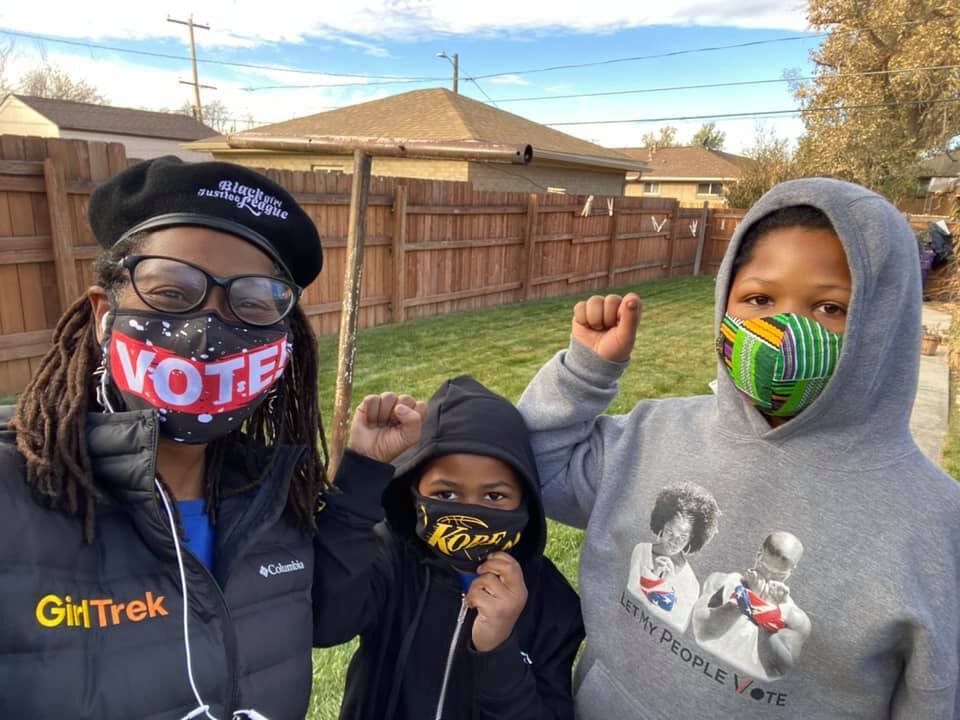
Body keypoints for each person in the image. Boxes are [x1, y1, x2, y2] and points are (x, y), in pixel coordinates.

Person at [516, 178, 960, 718]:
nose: (784, 329)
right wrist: (584, 373)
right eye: (760, 299)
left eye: (829, 308)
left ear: (882, 324)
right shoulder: (654, 434)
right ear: (726, 299)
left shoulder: (934, 525)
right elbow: (534, 468)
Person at [0, 156, 424, 720]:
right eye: (172, 293)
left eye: (251, 303)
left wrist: (364, 472)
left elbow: (330, 619)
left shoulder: (271, 493)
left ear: (283, 341)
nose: (206, 329)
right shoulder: (15, 494)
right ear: (105, 312)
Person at [313, 375, 584, 719]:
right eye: (445, 495)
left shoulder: (552, 603)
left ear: (525, 500)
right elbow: (325, 622)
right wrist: (360, 479)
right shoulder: (389, 557)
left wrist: (498, 649)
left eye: (494, 496)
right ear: (414, 493)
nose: (468, 510)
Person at [692, 531, 811, 681]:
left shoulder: (794, 617)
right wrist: (745, 599)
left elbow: (775, 672)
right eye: (764, 568)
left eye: (778, 574)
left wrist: (766, 612)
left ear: (790, 572)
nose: (767, 578)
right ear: (758, 554)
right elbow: (701, 632)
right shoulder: (722, 581)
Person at [625, 482, 720, 632]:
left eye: (682, 537)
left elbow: (675, 628)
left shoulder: (691, 582)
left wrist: (666, 584)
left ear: (692, 538)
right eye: (670, 532)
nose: (674, 542)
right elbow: (628, 599)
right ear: (662, 526)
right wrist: (654, 579)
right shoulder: (641, 551)